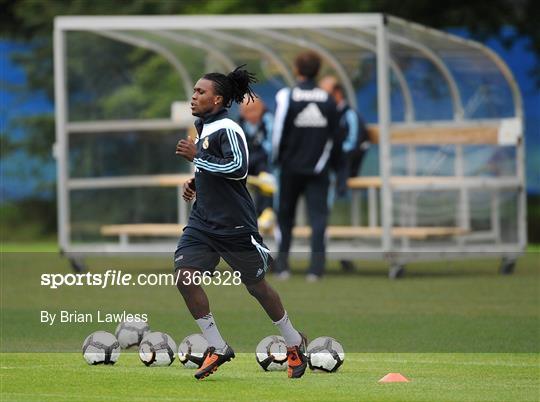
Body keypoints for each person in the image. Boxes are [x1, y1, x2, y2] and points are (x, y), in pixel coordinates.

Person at [174, 65, 307, 380]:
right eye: (193, 91)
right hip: (203, 224)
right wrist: (197, 182)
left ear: (218, 99)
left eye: (200, 92)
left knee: (257, 287)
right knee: (184, 278)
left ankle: (292, 342)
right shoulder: (204, 128)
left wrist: (197, 157)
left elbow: (238, 167)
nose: (193, 96)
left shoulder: (229, 129)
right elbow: (214, 168)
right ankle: (218, 347)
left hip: (235, 226)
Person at [272, 52, 341, 282]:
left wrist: (277, 158)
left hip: (290, 168)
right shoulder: (328, 99)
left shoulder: (287, 96)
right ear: (318, 70)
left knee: (285, 217)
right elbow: (335, 136)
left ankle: (282, 266)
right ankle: (316, 270)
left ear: (296, 69)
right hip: (318, 169)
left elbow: (278, 130)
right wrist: (331, 165)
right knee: (318, 219)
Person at [319, 76, 369, 198]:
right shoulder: (324, 114)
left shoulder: (350, 115)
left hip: (348, 164)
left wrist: (334, 151)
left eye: (326, 95)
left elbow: (353, 143)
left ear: (337, 93)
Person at [238, 98, 275, 231]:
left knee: (265, 177)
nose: (252, 114)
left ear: (262, 108)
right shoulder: (241, 124)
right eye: (247, 111)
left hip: (265, 162)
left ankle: (266, 211)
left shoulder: (268, 121)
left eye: (255, 110)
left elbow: (271, 147)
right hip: (247, 161)